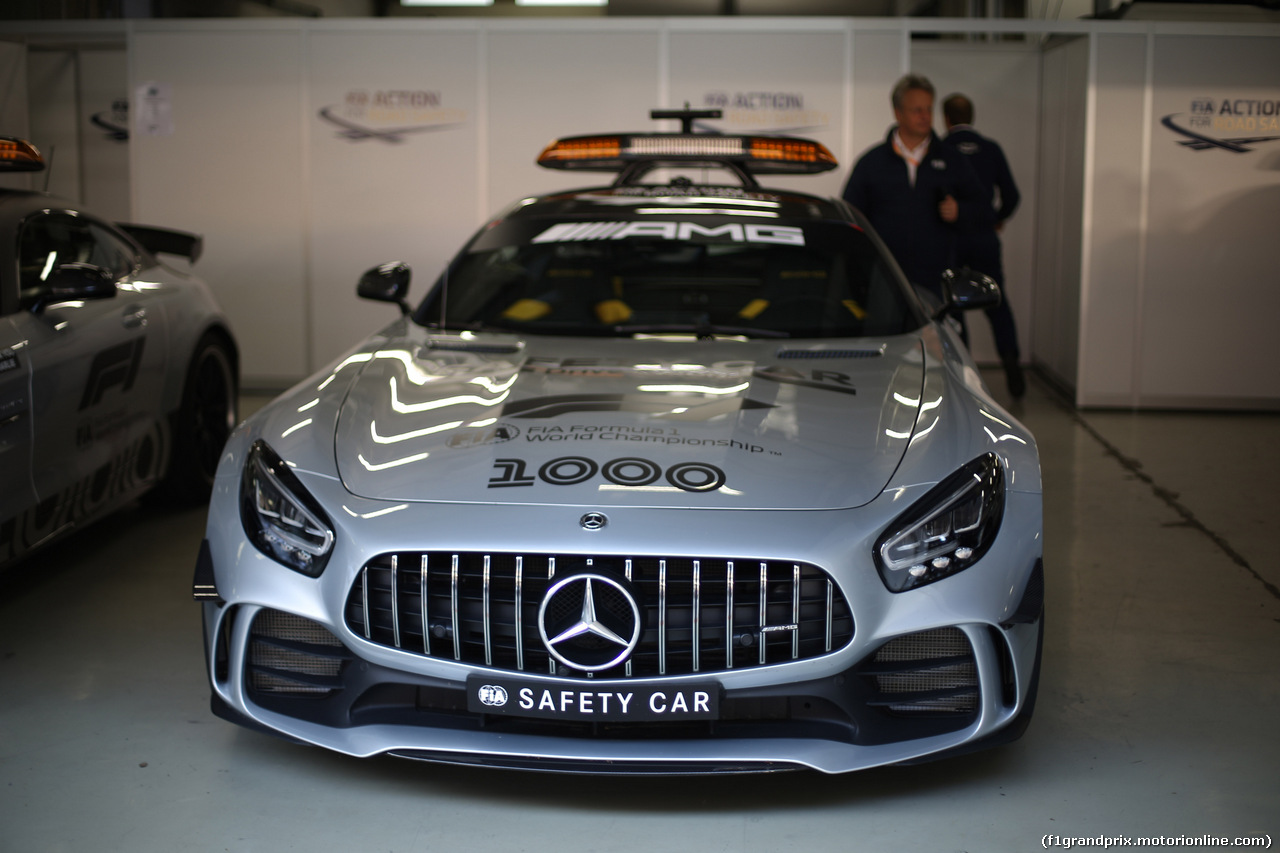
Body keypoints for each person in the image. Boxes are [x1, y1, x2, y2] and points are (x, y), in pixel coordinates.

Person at [842, 74, 985, 339]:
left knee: (946, 360)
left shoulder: (952, 160)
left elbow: (982, 207)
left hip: (938, 283)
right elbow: (850, 219)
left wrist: (960, 211)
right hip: (885, 284)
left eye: (929, 109)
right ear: (897, 112)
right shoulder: (872, 163)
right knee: (885, 359)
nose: (924, 116)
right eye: (916, 109)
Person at [941, 93, 1026, 398]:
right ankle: (1012, 366)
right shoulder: (991, 150)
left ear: (946, 118)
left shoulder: (942, 150)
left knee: (953, 307)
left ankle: (964, 378)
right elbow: (1012, 195)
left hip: (952, 238)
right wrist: (997, 218)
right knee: (997, 304)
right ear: (971, 116)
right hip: (985, 239)